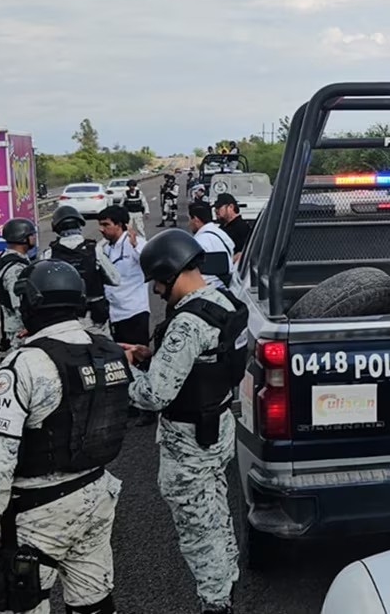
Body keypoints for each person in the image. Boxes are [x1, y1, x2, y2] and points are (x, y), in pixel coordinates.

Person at [0, 259, 129, 614]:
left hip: (37, 513)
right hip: (97, 495)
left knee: (22, 605)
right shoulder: (108, 351)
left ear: (32, 305)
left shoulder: (23, 365)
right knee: (93, 603)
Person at [122, 229, 246, 614]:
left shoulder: (186, 323)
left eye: (158, 282)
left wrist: (120, 371)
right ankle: (225, 584)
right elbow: (206, 362)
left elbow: (152, 395)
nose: (157, 291)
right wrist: (149, 357)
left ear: (171, 272)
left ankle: (215, 603)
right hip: (217, 425)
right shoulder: (223, 300)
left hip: (190, 441)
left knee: (197, 527)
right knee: (215, 514)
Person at [97, 205, 155, 428]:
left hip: (135, 310)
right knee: (121, 359)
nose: (101, 229)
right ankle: (130, 402)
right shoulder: (105, 248)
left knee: (140, 359)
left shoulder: (136, 244)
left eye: (106, 225)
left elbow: (151, 262)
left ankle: (147, 407)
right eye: (100, 225)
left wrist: (135, 245)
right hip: (114, 312)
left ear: (120, 225)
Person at [43, 205, 120, 334]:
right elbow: (115, 279)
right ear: (79, 225)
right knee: (104, 352)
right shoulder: (94, 249)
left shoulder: (49, 254)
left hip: (65, 319)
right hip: (95, 319)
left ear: (56, 227)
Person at [0, 218, 37, 352]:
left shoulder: (4, 257)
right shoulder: (15, 268)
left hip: (13, 326)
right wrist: (29, 326)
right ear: (24, 238)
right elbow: (18, 301)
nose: (34, 238)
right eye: (32, 235)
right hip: (21, 330)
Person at [189, 201, 236, 288]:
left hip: (211, 288)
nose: (189, 224)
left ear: (196, 220)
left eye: (190, 220)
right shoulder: (221, 234)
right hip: (228, 285)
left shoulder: (199, 242)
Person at [212, 194, 250, 263]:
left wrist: (229, 261)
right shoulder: (223, 227)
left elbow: (243, 254)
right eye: (215, 208)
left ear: (231, 207)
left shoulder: (241, 228)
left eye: (219, 207)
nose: (216, 211)